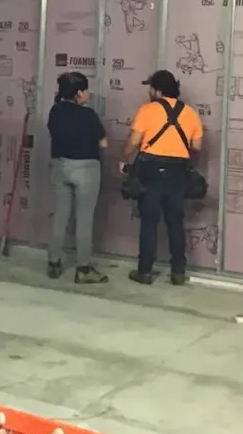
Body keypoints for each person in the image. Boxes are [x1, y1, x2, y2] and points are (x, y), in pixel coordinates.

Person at [119, 70, 203, 286]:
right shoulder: (190, 113)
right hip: (178, 174)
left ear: (157, 90)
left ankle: (145, 272)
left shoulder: (147, 110)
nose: (149, 91)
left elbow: (134, 141)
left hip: (150, 172)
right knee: (175, 222)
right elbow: (196, 146)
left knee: (149, 223)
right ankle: (178, 273)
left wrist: (123, 159)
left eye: (151, 87)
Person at [46, 71, 108, 284]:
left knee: (61, 216)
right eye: (86, 90)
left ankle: (53, 262)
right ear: (79, 93)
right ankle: (83, 269)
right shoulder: (88, 115)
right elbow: (103, 143)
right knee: (84, 220)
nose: (88, 94)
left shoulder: (55, 111)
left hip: (61, 166)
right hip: (86, 169)